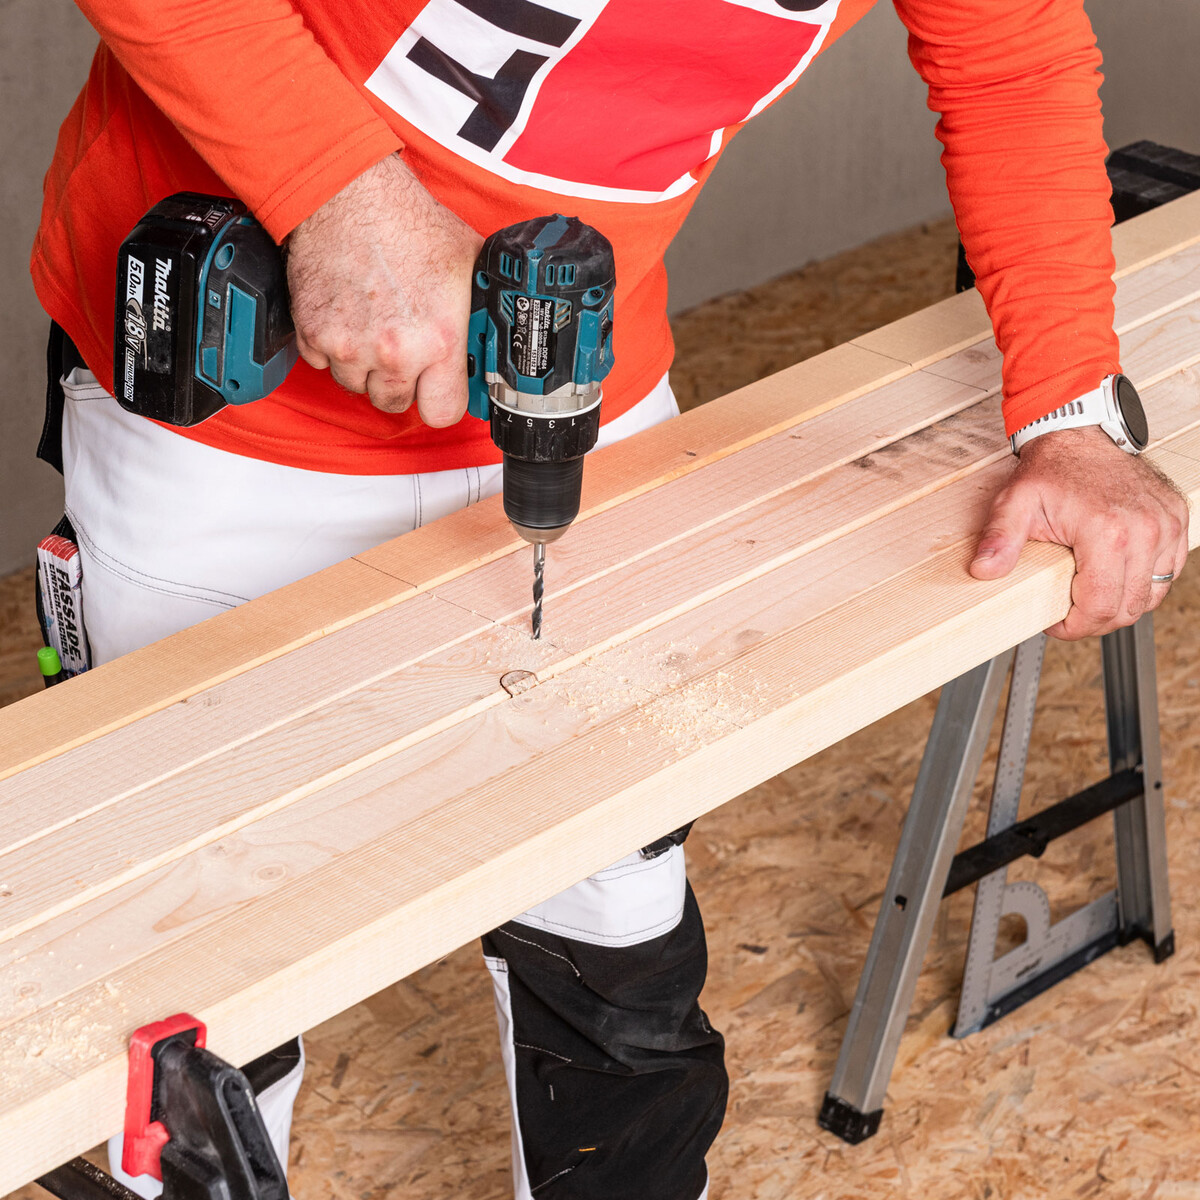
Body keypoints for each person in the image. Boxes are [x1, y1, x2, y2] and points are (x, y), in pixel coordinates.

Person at [30, 1, 1188, 1197]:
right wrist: (334, 191)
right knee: (186, 1006)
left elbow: (1008, 59)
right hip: (230, 422)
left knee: (615, 929)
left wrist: (1069, 412)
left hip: (581, 397)